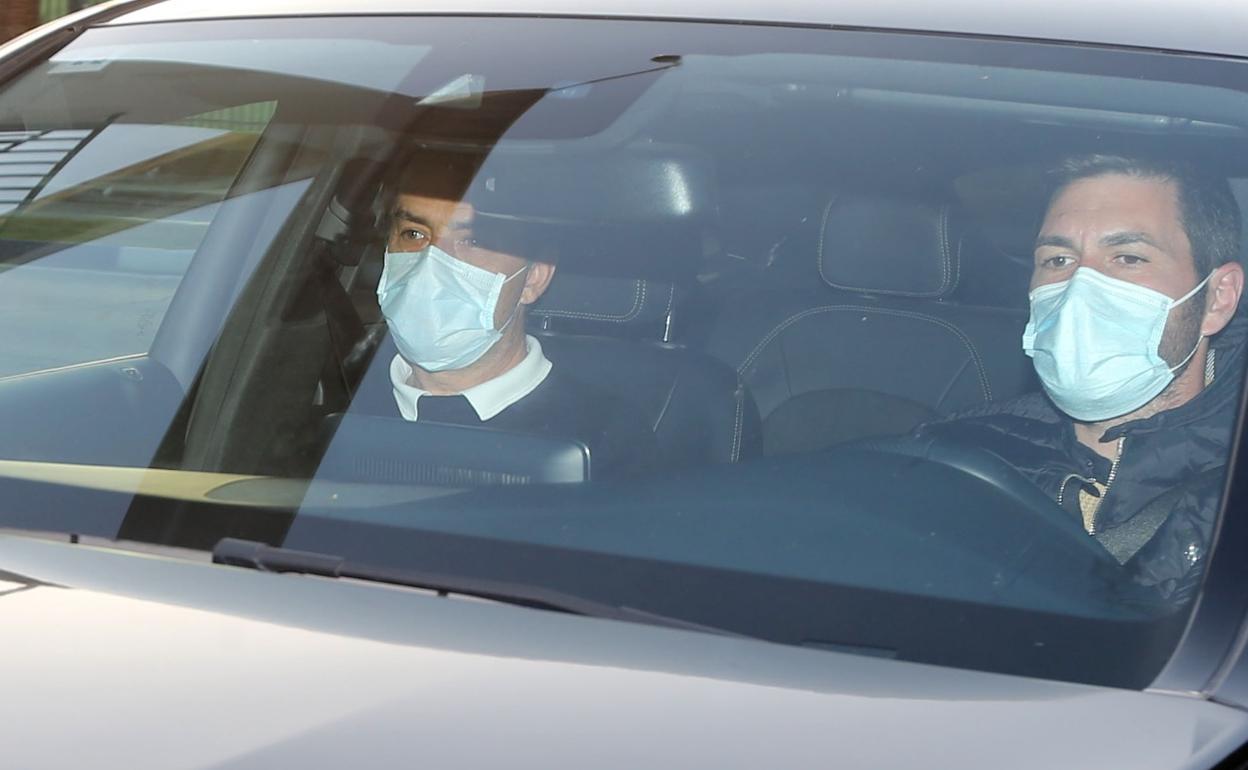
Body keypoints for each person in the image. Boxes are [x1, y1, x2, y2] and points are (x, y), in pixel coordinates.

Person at [921, 154, 1246, 605]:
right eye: (1057, 259)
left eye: (1128, 258)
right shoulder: (950, 454)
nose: (1079, 288)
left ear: (1217, 298)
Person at [359, 149, 658, 478]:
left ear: (534, 277)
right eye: (414, 234)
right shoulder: (338, 397)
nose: (431, 264)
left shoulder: (603, 438)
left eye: (472, 240)